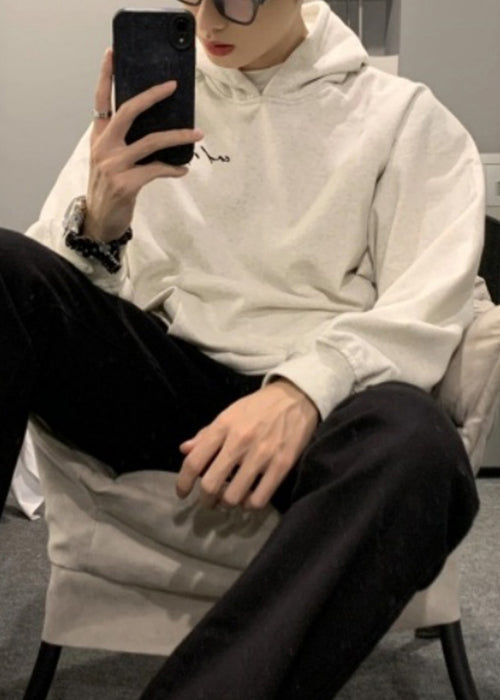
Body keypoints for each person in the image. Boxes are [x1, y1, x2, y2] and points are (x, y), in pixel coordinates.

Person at [0, 0, 485, 697]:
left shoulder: (402, 118)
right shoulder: (153, 104)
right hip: (166, 387)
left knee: (420, 445)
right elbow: (56, 290)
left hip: (320, 415)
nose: (209, 22)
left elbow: (428, 302)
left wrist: (303, 389)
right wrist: (99, 224)